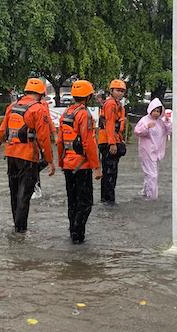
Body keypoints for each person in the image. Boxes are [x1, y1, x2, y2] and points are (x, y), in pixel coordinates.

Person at [0, 78, 55, 233]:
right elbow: (43, 138)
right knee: (24, 195)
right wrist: (49, 160)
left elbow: (2, 131)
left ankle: (16, 228)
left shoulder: (12, 106)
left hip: (11, 155)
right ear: (41, 93)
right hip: (28, 157)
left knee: (14, 194)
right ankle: (20, 231)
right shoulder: (38, 109)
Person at [57, 80, 102, 244]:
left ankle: (72, 233)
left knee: (72, 201)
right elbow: (88, 143)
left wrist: (61, 162)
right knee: (86, 202)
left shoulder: (66, 113)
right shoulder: (84, 114)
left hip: (68, 164)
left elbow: (60, 141)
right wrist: (96, 167)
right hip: (81, 166)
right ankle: (78, 235)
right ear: (88, 96)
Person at [133, 98, 172, 201]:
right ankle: (152, 197)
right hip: (147, 151)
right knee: (152, 175)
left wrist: (168, 122)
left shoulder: (161, 122)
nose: (156, 113)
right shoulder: (145, 120)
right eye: (154, 110)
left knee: (150, 174)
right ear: (150, 110)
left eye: (158, 111)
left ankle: (146, 193)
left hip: (157, 152)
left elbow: (169, 131)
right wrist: (146, 127)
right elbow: (137, 131)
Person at [97, 79, 127, 205]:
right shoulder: (111, 104)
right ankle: (109, 200)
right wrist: (112, 143)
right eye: (117, 90)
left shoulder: (116, 104)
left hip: (109, 140)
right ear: (111, 91)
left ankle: (106, 198)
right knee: (110, 172)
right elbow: (109, 124)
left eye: (122, 91)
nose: (120, 93)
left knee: (108, 171)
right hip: (108, 141)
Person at [32, 85, 57, 199]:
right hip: (32, 140)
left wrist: (55, 134)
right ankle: (35, 188)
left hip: (42, 137)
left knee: (44, 161)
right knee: (35, 163)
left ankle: (33, 175)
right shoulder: (28, 105)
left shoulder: (44, 105)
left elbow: (49, 120)